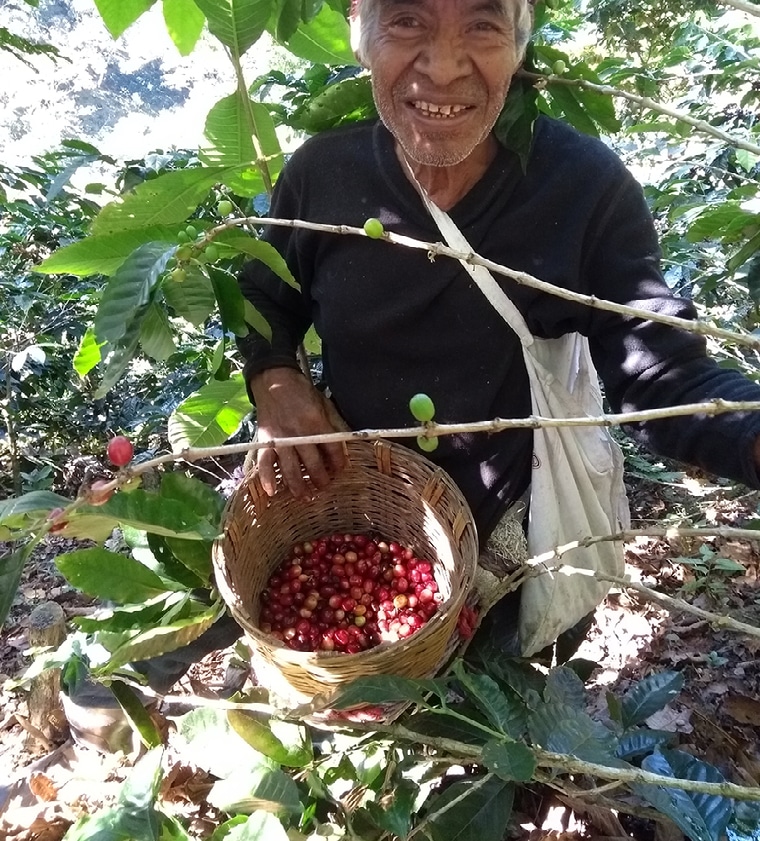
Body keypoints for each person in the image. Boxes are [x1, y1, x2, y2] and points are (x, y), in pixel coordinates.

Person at [236, 0, 760, 657]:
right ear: (359, 31)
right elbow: (266, 294)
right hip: (362, 515)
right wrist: (277, 382)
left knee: (499, 704)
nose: (444, 67)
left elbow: (660, 374)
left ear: (519, 42)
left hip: (513, 549)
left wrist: (748, 435)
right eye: (407, 21)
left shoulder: (580, 189)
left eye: (482, 26)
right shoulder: (323, 176)